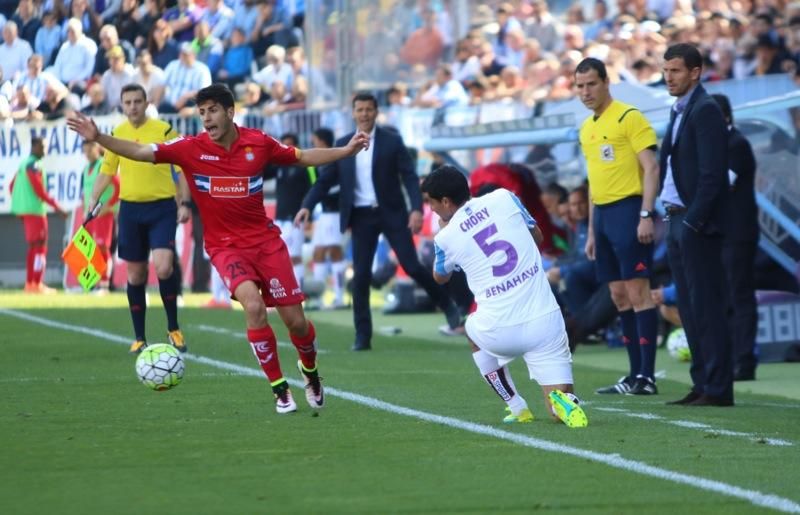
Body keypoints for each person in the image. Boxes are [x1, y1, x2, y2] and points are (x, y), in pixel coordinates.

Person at [67, 83, 370, 414]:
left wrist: (345, 151)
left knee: (295, 322)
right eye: (201, 113)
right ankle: (279, 389)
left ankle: (310, 372)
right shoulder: (189, 148)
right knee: (253, 307)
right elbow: (141, 153)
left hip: (266, 244)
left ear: (230, 111)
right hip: (226, 248)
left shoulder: (258, 143)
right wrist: (99, 137)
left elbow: (301, 157)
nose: (206, 118)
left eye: (212, 110)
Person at [421, 165, 587, 428]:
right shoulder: (504, 197)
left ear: (445, 201)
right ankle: (564, 402)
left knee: (470, 330)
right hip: (544, 322)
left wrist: (447, 230)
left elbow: (440, 276)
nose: (430, 209)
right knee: (557, 409)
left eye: (431, 203)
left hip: (498, 330)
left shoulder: (445, 237)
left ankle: (517, 407)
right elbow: (538, 236)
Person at [295, 92, 461, 351]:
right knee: (360, 276)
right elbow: (325, 180)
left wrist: (416, 209)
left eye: (369, 109)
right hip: (361, 217)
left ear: (376, 112)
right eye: (359, 109)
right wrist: (306, 205)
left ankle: (449, 308)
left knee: (412, 266)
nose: (364, 114)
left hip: (391, 213)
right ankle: (363, 337)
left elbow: (408, 177)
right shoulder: (342, 144)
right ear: (353, 113)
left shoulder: (392, 142)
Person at [574, 57, 661, 396]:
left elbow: (651, 168)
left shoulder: (629, 116)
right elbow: (594, 186)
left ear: (606, 82)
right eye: (580, 86)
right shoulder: (587, 128)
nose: (585, 92)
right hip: (605, 217)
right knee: (618, 295)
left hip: (629, 210)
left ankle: (647, 376)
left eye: (591, 84)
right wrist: (593, 232)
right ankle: (633, 374)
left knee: (638, 291)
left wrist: (645, 214)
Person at [86, 83, 191, 355]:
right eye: (128, 102)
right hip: (130, 210)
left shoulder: (165, 131)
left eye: (137, 101)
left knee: (164, 267)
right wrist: (94, 198)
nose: (132, 106)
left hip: (162, 208)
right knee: (135, 273)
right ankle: (139, 337)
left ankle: (173, 328)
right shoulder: (117, 134)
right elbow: (107, 171)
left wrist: (184, 203)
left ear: (146, 103)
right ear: (122, 105)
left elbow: (181, 169)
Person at [659, 43, 733, 407]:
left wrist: (693, 221)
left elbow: (712, 174)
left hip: (693, 223)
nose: (668, 77)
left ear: (695, 72)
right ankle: (702, 382)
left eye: (675, 70)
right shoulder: (679, 109)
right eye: (666, 70)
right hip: (676, 218)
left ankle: (718, 388)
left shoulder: (704, 110)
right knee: (689, 308)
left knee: (706, 306)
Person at [712, 93, 759, 382]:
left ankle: (745, 360)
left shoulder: (736, 144)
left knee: (739, 294)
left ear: (724, 117)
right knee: (728, 295)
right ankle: (732, 358)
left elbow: (720, 184)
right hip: (723, 232)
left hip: (737, 232)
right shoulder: (723, 144)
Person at [10, 136, 68, 293]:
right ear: (34, 146)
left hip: (26, 211)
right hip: (35, 211)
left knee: (33, 247)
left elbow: (11, 186)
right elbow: (39, 190)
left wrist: (21, 204)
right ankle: (36, 283)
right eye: (43, 147)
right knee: (40, 247)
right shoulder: (34, 165)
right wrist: (57, 207)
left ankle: (30, 283)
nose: (45, 150)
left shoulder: (24, 163)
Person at [263, 132, 314, 288]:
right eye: (284, 145)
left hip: (296, 217)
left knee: (295, 256)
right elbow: (262, 173)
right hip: (280, 218)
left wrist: (309, 213)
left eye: (290, 145)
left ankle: (298, 290)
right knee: (280, 257)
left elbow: (313, 188)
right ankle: (287, 289)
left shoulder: (306, 167)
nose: (287, 148)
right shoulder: (279, 165)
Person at [308, 127, 348, 309]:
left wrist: (321, 190)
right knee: (318, 253)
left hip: (335, 213)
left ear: (322, 142)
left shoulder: (336, 160)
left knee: (334, 252)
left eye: (315, 140)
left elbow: (340, 187)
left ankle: (339, 296)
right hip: (323, 214)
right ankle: (318, 297)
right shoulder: (319, 162)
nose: (313, 143)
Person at [80, 140, 120, 292]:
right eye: (85, 150)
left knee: (103, 247)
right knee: (91, 249)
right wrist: (85, 213)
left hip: (103, 213)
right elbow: (86, 193)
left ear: (96, 148)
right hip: (90, 216)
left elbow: (118, 186)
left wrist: (109, 207)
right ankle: (93, 281)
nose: (87, 153)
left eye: (90, 149)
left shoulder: (103, 165)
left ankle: (104, 284)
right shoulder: (86, 169)